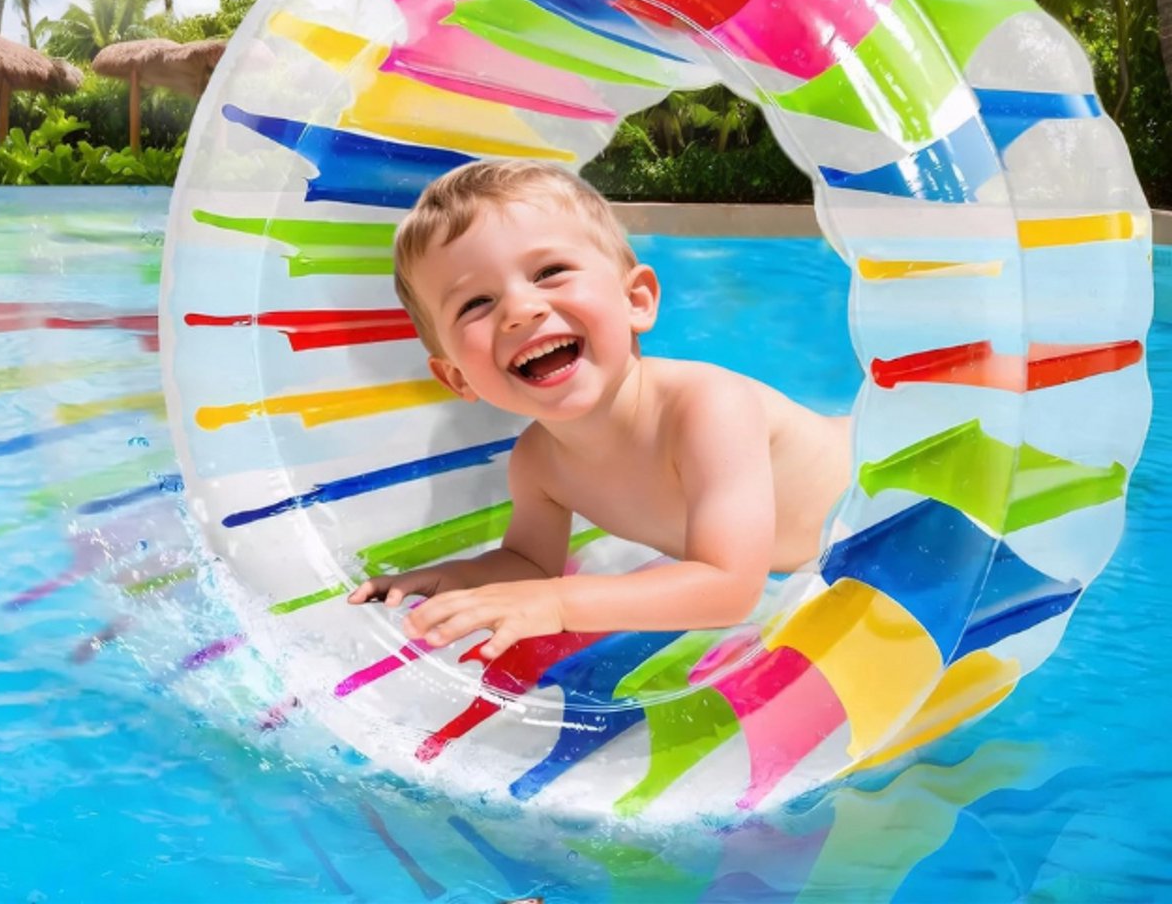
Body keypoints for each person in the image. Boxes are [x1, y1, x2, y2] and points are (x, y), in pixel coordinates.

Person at [347, 161, 851, 659]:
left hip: (883, 489)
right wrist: (454, 580)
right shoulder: (539, 464)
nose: (521, 310)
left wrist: (560, 604)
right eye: (475, 303)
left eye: (550, 272)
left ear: (636, 300)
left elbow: (729, 586)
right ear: (457, 377)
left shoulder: (707, 409)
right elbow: (529, 564)